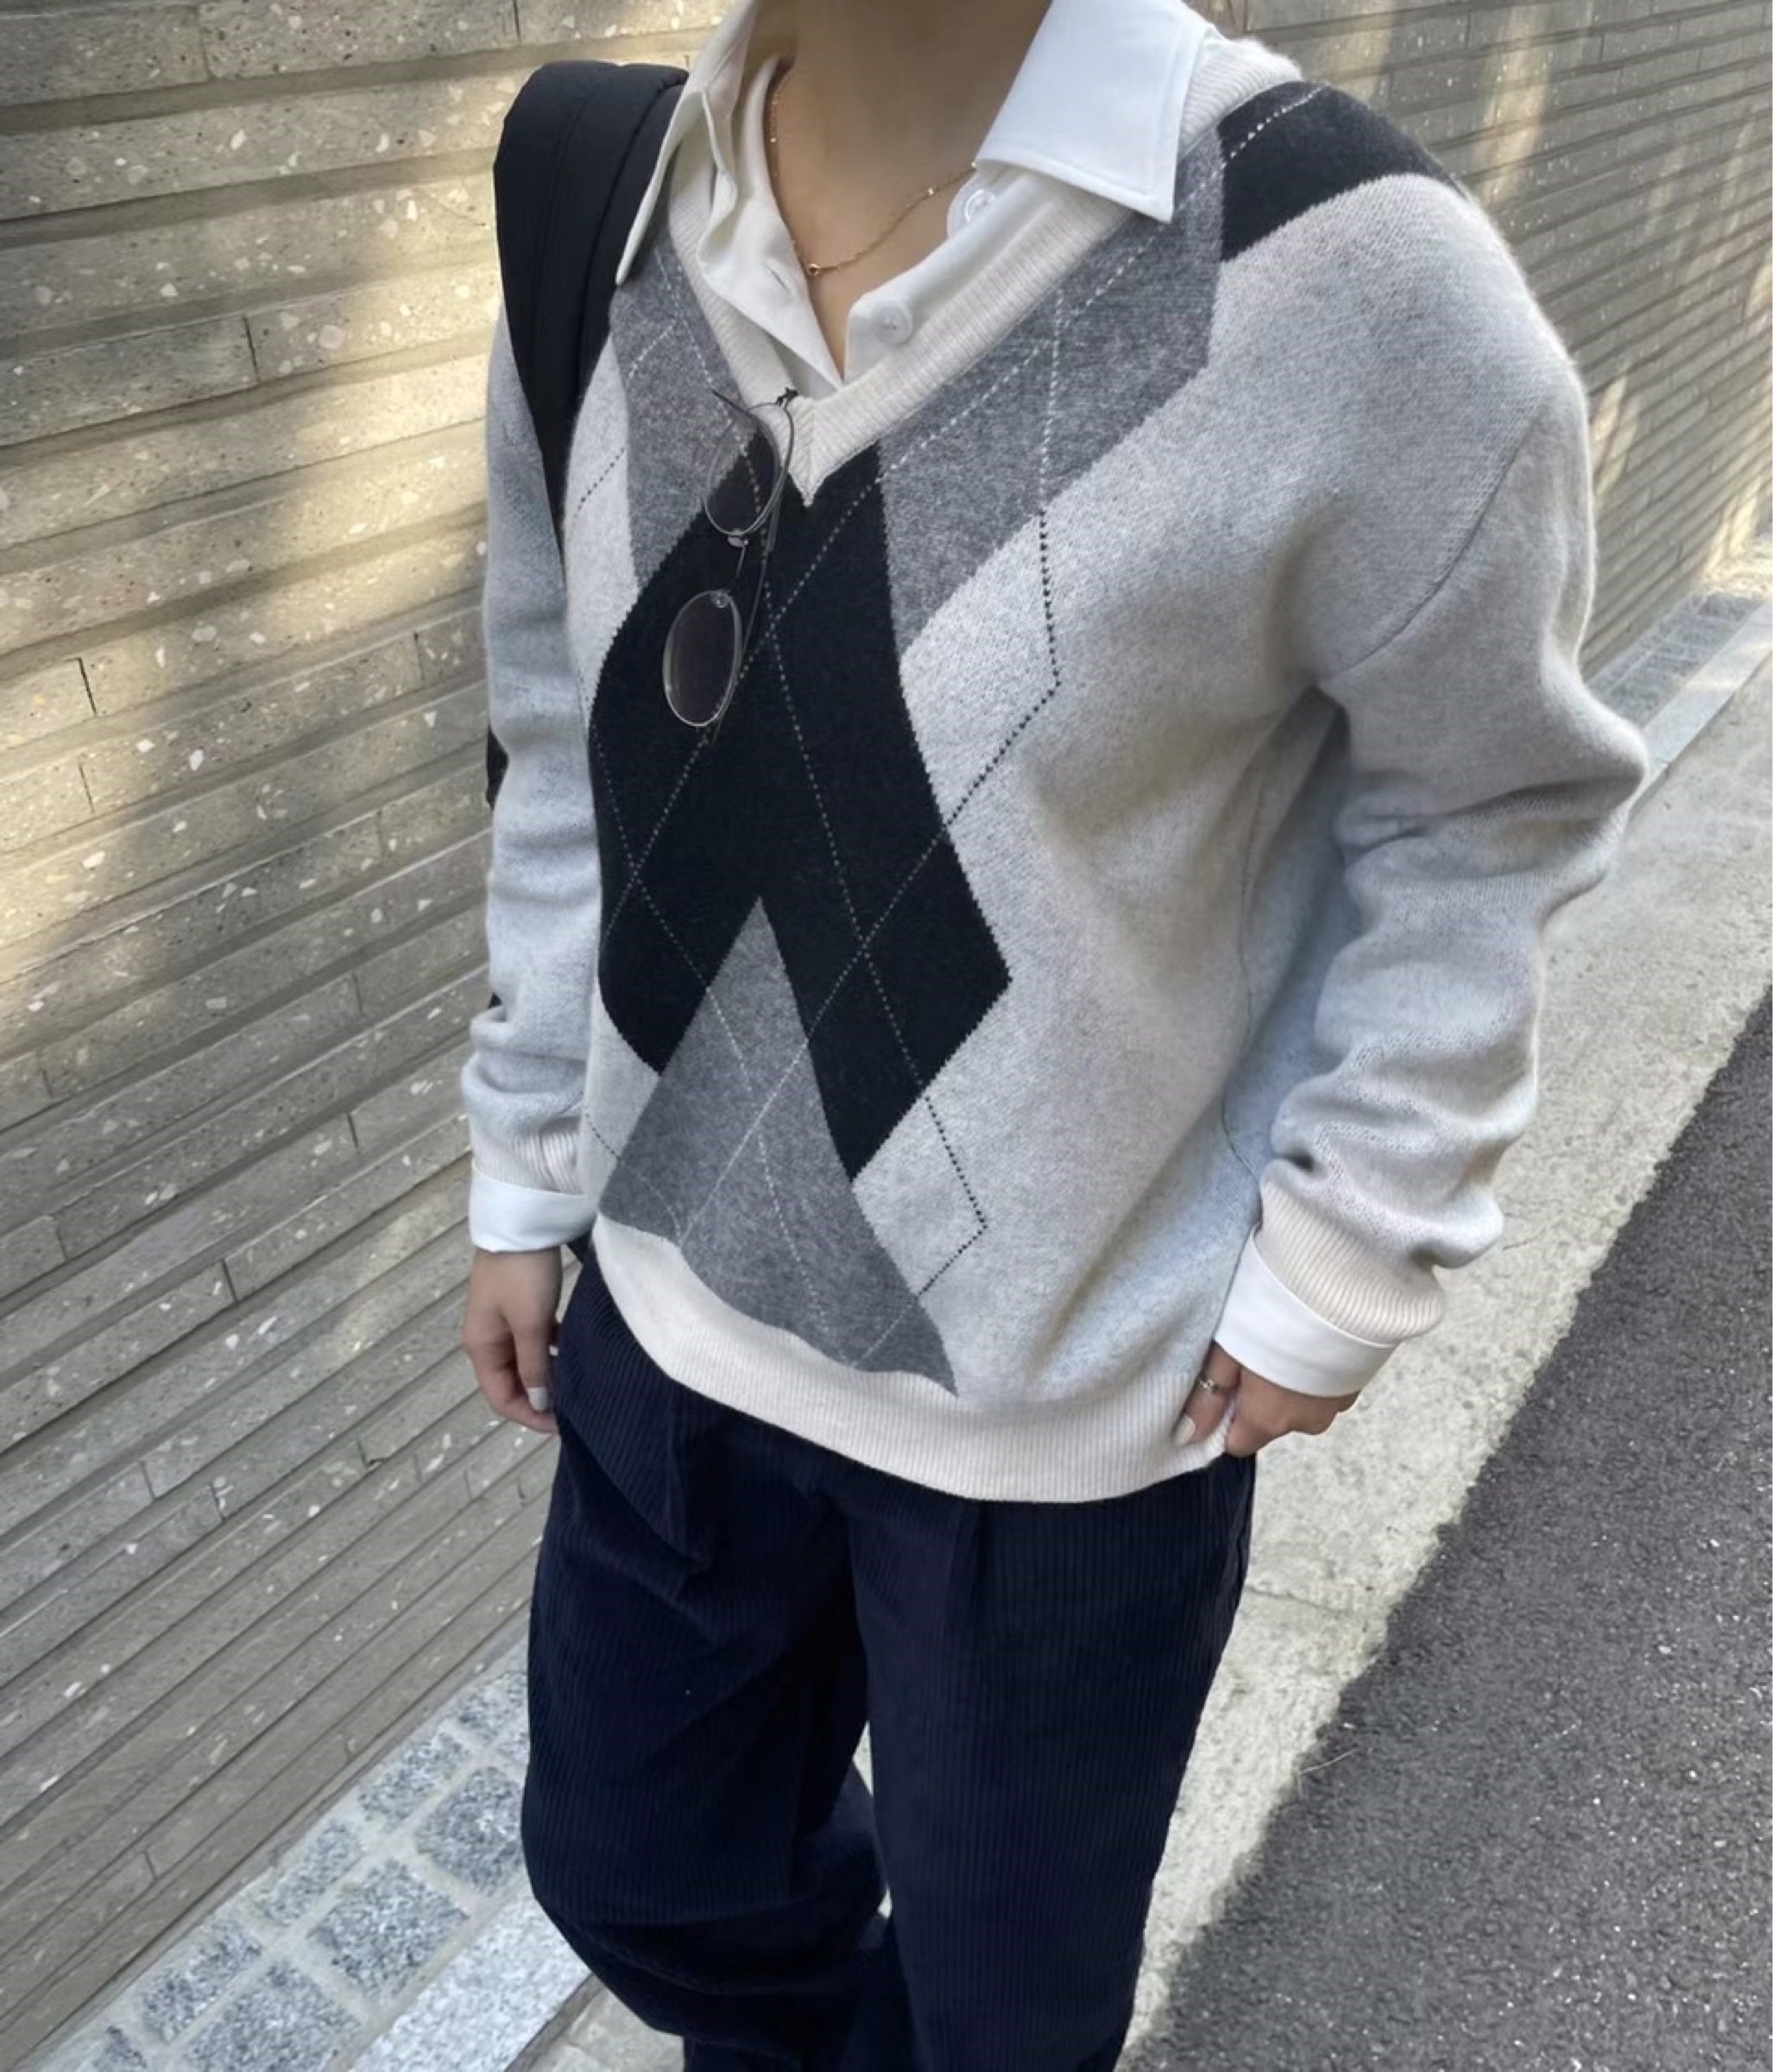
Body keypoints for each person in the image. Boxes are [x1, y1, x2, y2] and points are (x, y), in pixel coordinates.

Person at [457, 0, 1650, 2063]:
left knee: (1008, 2021)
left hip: (1064, 1410)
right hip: (665, 1326)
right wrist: (525, 1155)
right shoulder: (603, 202)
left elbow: (1490, 797)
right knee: (637, 1874)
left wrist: (1354, 1240)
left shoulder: (1343, 272)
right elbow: (562, 731)